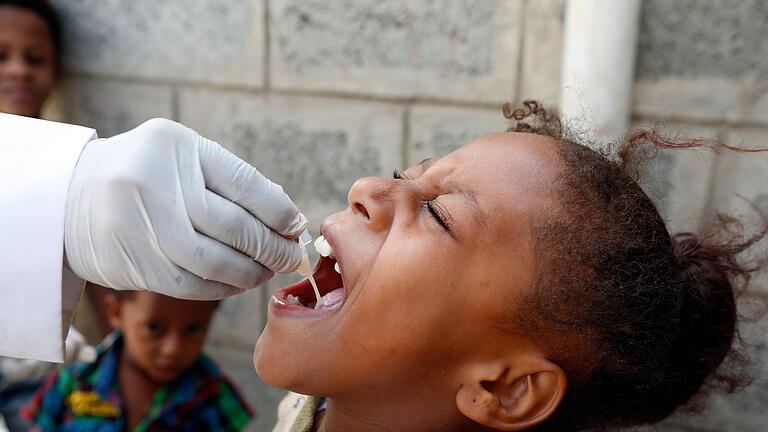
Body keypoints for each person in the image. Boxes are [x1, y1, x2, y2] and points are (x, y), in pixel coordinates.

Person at [254, 101, 767, 432]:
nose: (366, 187)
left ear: (506, 388)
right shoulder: (306, 405)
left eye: (436, 213)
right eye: (404, 175)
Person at [22, 290, 253, 431]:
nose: (173, 349)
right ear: (115, 312)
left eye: (193, 329)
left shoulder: (213, 393)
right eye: (155, 328)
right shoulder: (73, 381)